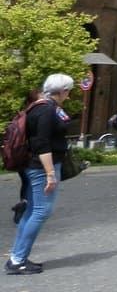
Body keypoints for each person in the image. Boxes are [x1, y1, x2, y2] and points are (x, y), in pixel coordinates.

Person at [6, 73, 74, 275]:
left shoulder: (40, 106)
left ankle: (17, 257)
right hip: (41, 167)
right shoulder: (46, 110)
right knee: (41, 211)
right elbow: (42, 143)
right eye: (68, 91)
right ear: (61, 91)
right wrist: (50, 173)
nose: (69, 95)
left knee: (32, 211)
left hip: (35, 166)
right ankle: (17, 260)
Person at [9, 90, 42, 227]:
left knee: (26, 181)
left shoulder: (20, 116)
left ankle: (23, 203)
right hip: (30, 156)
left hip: (18, 155)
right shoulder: (35, 115)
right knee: (33, 183)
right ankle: (26, 207)